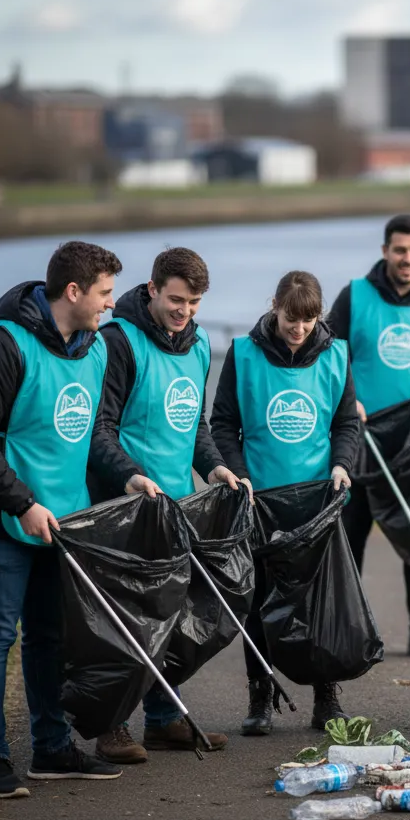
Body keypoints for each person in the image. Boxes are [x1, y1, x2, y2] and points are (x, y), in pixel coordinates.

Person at [0, 241, 126, 798]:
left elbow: (91, 435)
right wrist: (22, 502)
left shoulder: (95, 350)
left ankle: (52, 749)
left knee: (50, 637)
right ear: (73, 291)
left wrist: (128, 474)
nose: (111, 304)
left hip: (61, 519)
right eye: (105, 293)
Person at [86, 247, 243, 763]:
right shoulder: (117, 341)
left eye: (194, 303)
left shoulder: (198, 347)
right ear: (152, 289)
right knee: (125, 623)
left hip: (177, 506)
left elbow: (192, 425)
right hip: (123, 505)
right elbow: (100, 426)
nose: (185, 312)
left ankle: (162, 719)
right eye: (176, 300)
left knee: (172, 617)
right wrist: (130, 476)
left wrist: (215, 466)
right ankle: (111, 727)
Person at [210, 270, 361, 734]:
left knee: (320, 601)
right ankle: (261, 696)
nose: (299, 329)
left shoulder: (336, 353)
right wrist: (240, 475)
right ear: (273, 305)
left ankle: (326, 696)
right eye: (291, 319)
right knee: (257, 601)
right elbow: (222, 425)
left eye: (309, 321)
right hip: (260, 500)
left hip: (319, 498)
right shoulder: (243, 353)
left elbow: (346, 424)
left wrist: (342, 464)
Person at [325, 214, 410, 659]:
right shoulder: (355, 296)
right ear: (385, 250)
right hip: (361, 439)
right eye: (400, 250)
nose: (408, 259)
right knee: (351, 533)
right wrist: (348, 402)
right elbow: (327, 355)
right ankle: (350, 625)